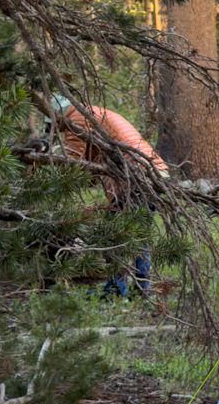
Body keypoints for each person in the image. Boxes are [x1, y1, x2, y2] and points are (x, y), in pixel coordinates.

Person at [49, 96, 166, 298]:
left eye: (53, 125)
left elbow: (72, 160)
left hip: (136, 178)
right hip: (152, 173)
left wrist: (51, 177)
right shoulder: (93, 115)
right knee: (137, 233)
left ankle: (116, 289)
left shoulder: (76, 119)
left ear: (58, 114)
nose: (56, 131)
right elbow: (91, 164)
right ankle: (141, 289)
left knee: (115, 233)